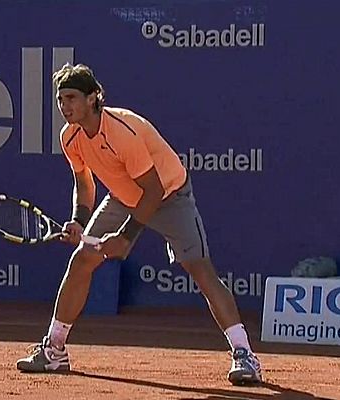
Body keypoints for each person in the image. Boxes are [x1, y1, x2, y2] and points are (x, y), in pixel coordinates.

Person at [16, 64, 262, 385]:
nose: (65, 106)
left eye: (72, 98)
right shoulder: (70, 136)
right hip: (122, 197)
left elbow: (154, 190)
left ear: (93, 98)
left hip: (169, 195)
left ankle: (245, 355)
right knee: (82, 259)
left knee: (200, 270)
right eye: (61, 99)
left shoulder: (122, 131)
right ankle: (54, 351)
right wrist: (79, 220)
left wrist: (125, 238)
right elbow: (85, 183)